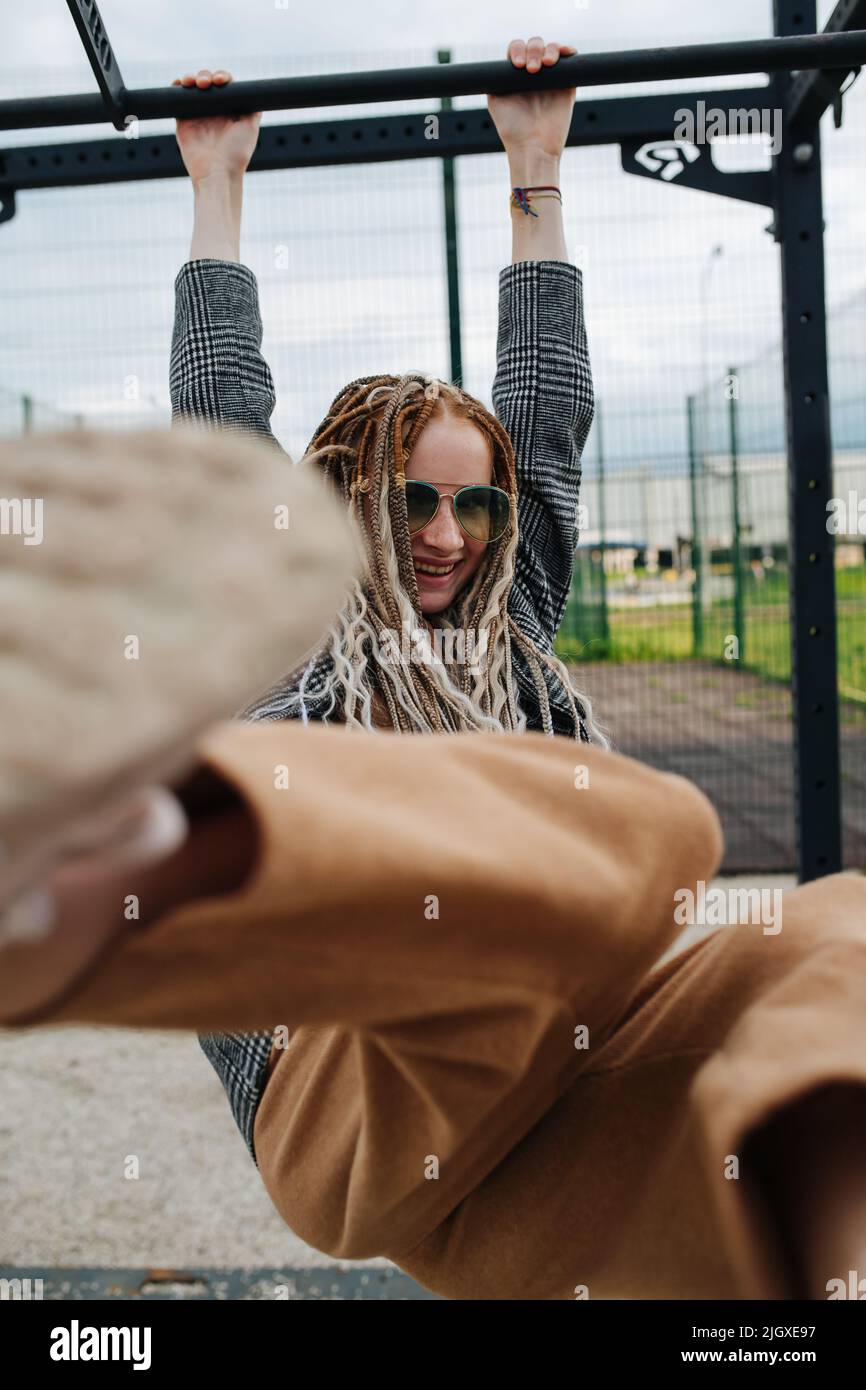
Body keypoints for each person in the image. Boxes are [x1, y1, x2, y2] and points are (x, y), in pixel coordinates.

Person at [2, 38, 866, 1303]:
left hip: (555, 1129)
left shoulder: (515, 619)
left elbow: (547, 411)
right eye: (408, 500)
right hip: (344, 1084)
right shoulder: (284, 624)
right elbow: (221, 415)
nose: (448, 535)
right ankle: (105, 866)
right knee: (629, 827)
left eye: (473, 506)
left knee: (837, 939)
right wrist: (217, 186)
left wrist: (534, 159)